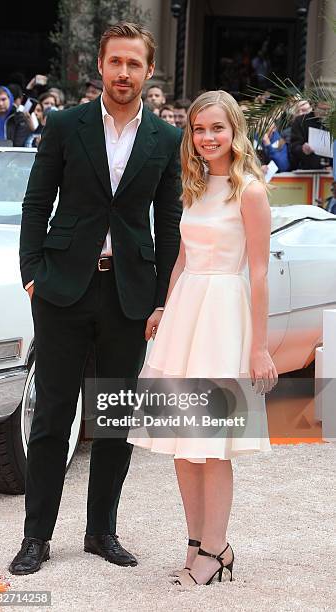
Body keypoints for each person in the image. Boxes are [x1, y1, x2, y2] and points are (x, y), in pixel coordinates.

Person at [9, 21, 182, 576]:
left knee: (112, 418)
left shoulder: (166, 139)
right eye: (116, 63)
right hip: (61, 289)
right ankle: (36, 537)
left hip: (128, 296)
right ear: (101, 67)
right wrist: (31, 272)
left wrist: (160, 298)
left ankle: (100, 531)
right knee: (53, 416)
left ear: (148, 70)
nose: (124, 73)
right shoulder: (64, 125)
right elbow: (35, 203)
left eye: (135, 64)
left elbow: (169, 220)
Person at [129, 90, 277, 587]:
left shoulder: (250, 191)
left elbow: (259, 274)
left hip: (224, 318)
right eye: (198, 129)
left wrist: (258, 347)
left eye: (217, 127)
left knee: (213, 443)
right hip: (187, 314)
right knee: (181, 441)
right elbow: (182, 259)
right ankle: (196, 543)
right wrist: (166, 309)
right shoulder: (193, 187)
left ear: (235, 130)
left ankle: (217, 547)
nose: (207, 137)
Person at [290, 101, 332, 170]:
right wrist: (302, 149)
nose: (326, 113)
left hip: (329, 171)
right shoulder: (300, 121)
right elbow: (293, 147)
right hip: (306, 170)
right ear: (314, 106)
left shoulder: (332, 122)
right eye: (323, 109)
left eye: (328, 110)